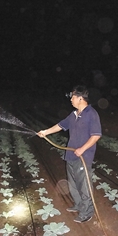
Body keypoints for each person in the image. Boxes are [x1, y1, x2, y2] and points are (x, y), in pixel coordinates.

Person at [37, 85, 102, 223]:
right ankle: (78, 205)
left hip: (83, 156)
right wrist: (45, 132)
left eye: (72, 97)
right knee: (73, 184)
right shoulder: (73, 115)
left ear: (80, 98)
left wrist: (82, 149)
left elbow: (96, 136)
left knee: (84, 185)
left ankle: (87, 212)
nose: (71, 100)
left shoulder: (91, 114)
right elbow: (60, 125)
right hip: (71, 154)